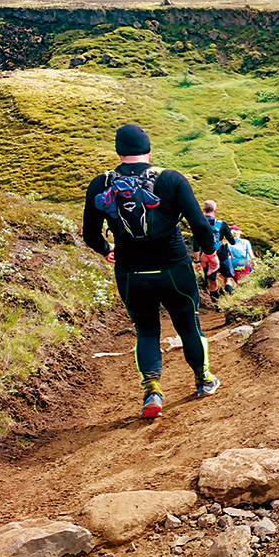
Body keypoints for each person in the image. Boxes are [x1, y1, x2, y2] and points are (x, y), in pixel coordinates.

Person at [83, 123, 221, 419]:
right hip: (174, 268)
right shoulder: (170, 179)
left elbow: (90, 234)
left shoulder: (101, 183)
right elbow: (199, 224)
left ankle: (152, 392)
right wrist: (210, 254)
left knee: (146, 331)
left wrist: (108, 250)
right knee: (188, 326)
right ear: (149, 150)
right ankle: (203, 380)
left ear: (119, 153)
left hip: (131, 274)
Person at [192, 200, 237, 300]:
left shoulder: (198, 225)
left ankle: (217, 305)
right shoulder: (222, 224)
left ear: (203, 210)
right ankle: (230, 300)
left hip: (206, 256)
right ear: (215, 210)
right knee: (227, 278)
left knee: (212, 282)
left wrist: (197, 261)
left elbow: (196, 245)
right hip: (222, 255)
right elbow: (232, 241)